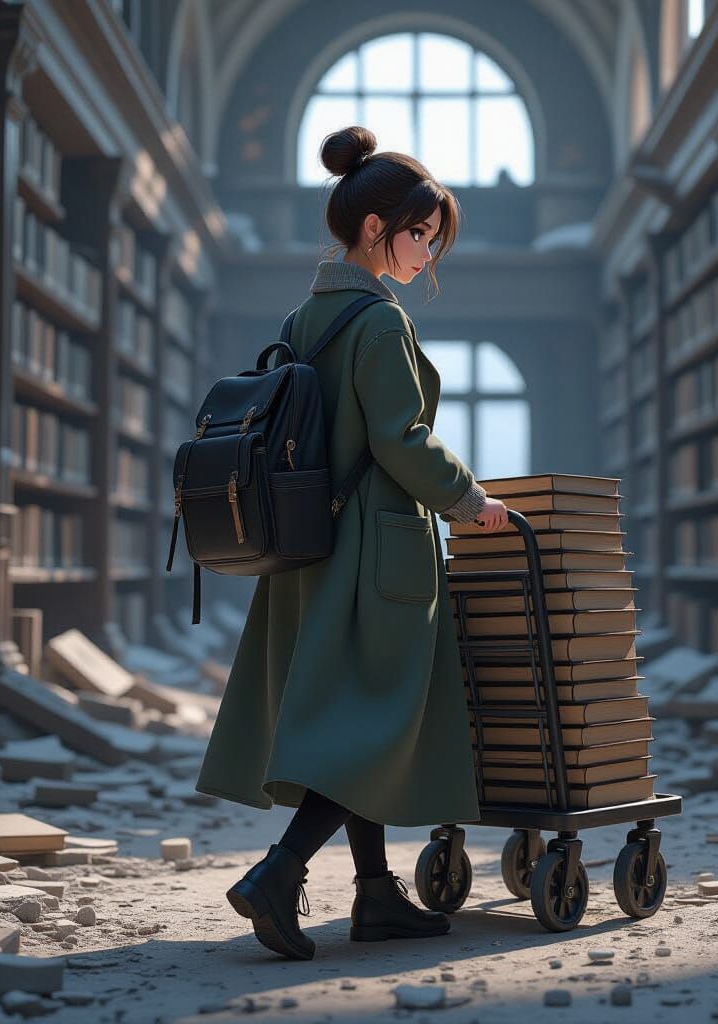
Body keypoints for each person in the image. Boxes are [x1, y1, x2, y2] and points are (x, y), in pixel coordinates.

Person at [195, 125, 510, 960]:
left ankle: (376, 896)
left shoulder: (308, 316)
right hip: (378, 553)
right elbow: (401, 439)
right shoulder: (378, 324)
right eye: (419, 234)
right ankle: (277, 873)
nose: (426, 252)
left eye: (434, 238)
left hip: (314, 548)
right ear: (375, 230)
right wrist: (471, 501)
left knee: (352, 712)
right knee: (373, 720)